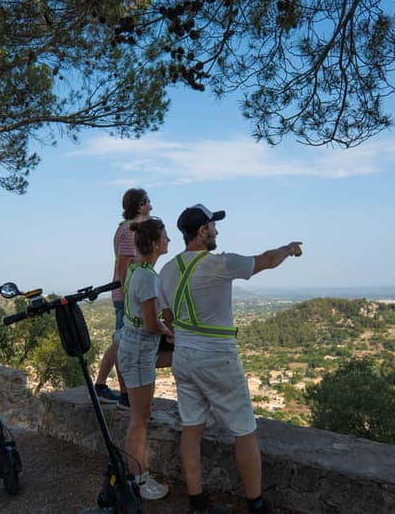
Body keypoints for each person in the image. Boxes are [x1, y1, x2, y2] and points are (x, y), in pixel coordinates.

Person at [158, 204, 303, 514]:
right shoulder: (218, 265)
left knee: (192, 427)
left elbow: (168, 318)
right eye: (212, 226)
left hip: (184, 357)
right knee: (244, 429)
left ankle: (198, 501)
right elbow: (266, 260)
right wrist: (289, 248)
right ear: (201, 231)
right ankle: (256, 503)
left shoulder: (167, 271)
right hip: (217, 357)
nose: (217, 231)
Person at [116, 217, 173, 500]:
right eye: (165, 237)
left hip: (132, 345)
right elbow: (151, 324)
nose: (168, 241)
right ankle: (139, 481)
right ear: (153, 243)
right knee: (139, 418)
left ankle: (137, 476)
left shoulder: (135, 268)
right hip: (139, 350)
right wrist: (169, 331)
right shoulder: (148, 276)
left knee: (140, 416)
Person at [94, 188, 153, 409]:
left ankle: (100, 385)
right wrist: (131, 295)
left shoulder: (125, 229)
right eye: (148, 202)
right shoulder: (130, 230)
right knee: (122, 344)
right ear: (139, 205)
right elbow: (124, 264)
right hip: (126, 296)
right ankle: (126, 395)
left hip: (122, 294)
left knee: (118, 341)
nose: (151, 207)